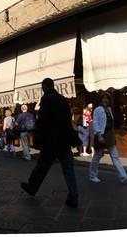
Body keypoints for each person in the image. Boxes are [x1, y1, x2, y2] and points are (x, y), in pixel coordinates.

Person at [20, 78, 81, 208]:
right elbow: (67, 120)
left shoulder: (46, 100)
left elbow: (43, 122)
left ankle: (32, 187)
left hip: (52, 141)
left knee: (42, 166)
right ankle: (73, 196)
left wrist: (38, 139)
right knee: (69, 170)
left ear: (44, 87)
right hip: (65, 141)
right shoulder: (63, 100)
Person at [90, 92, 127, 184]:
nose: (105, 100)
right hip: (101, 134)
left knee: (115, 156)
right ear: (101, 100)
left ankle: (123, 176)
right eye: (104, 98)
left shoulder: (109, 109)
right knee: (97, 156)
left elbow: (110, 123)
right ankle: (92, 175)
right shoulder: (98, 109)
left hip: (109, 134)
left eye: (107, 98)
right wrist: (99, 135)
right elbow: (95, 123)